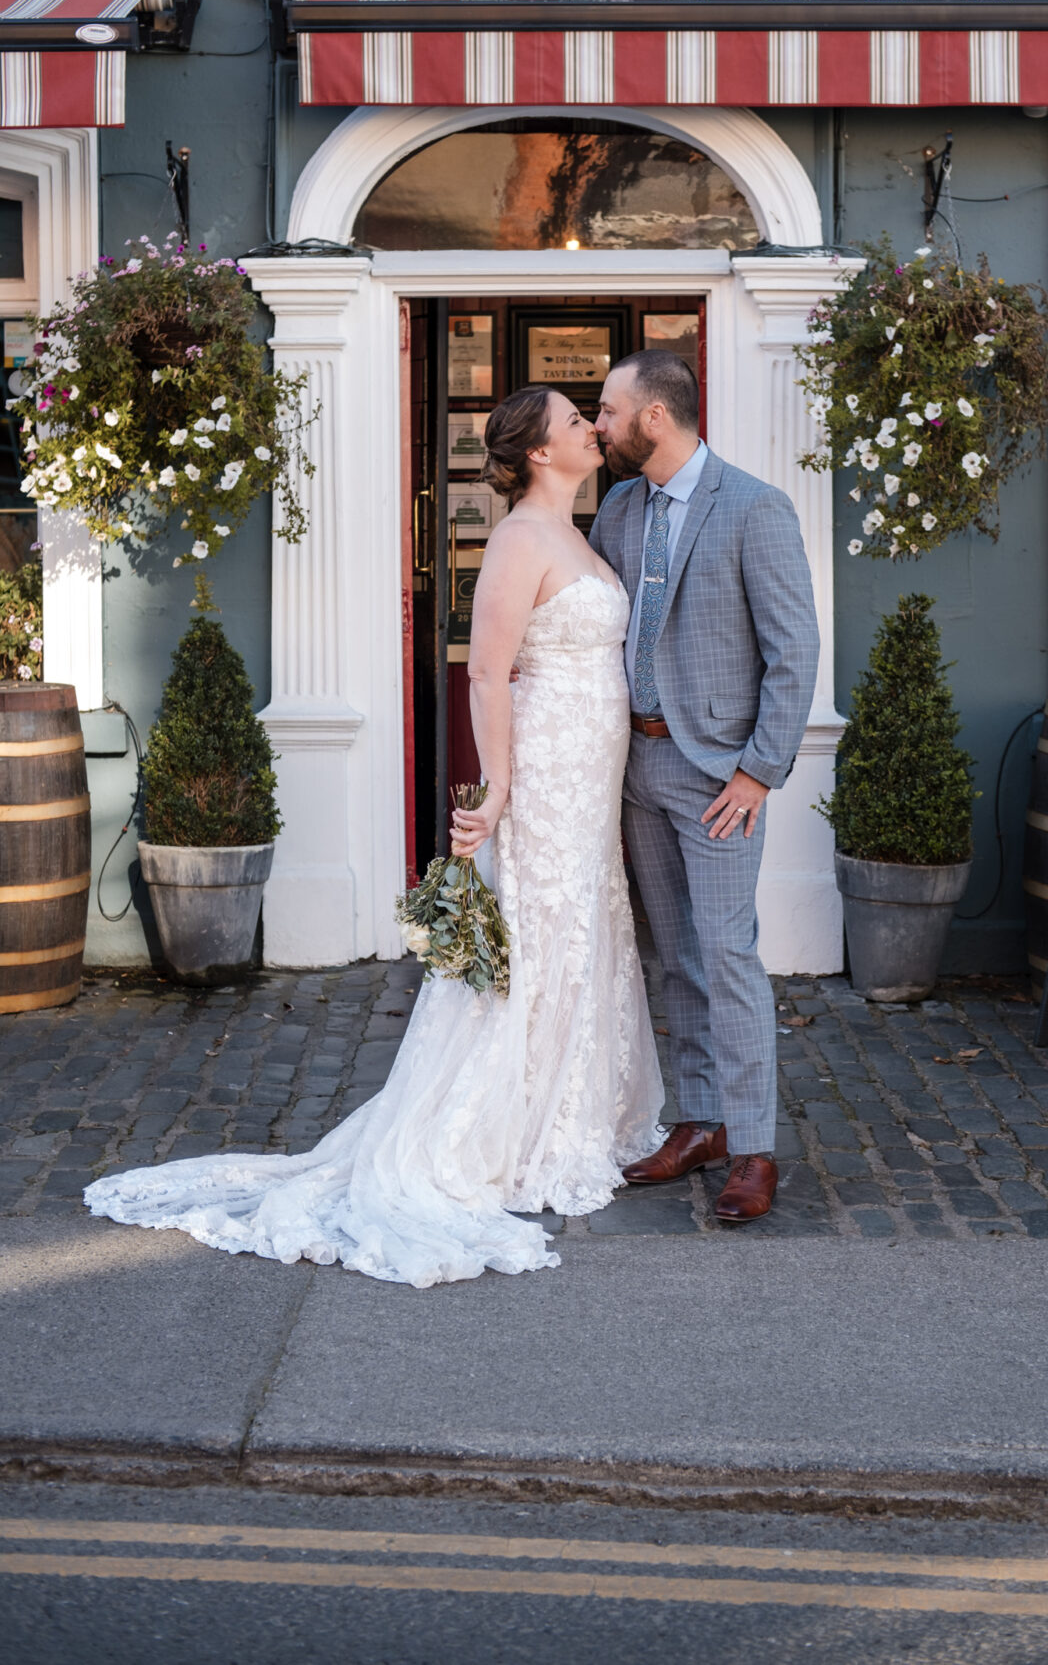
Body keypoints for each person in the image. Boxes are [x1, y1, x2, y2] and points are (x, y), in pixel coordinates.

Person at [84, 386, 664, 1288]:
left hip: (593, 772)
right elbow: (488, 674)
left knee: (583, 925)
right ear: (543, 452)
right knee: (539, 928)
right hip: (546, 768)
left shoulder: (587, 530)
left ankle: (569, 1113)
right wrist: (500, 785)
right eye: (576, 421)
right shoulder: (517, 539)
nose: (594, 427)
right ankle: (503, 1128)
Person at [590, 350, 819, 1222]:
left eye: (608, 411)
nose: (599, 424)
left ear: (653, 417)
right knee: (670, 954)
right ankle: (699, 1123)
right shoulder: (618, 506)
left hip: (720, 775)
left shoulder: (755, 508)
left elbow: (794, 653)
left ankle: (753, 1148)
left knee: (725, 953)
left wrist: (760, 771)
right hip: (637, 765)